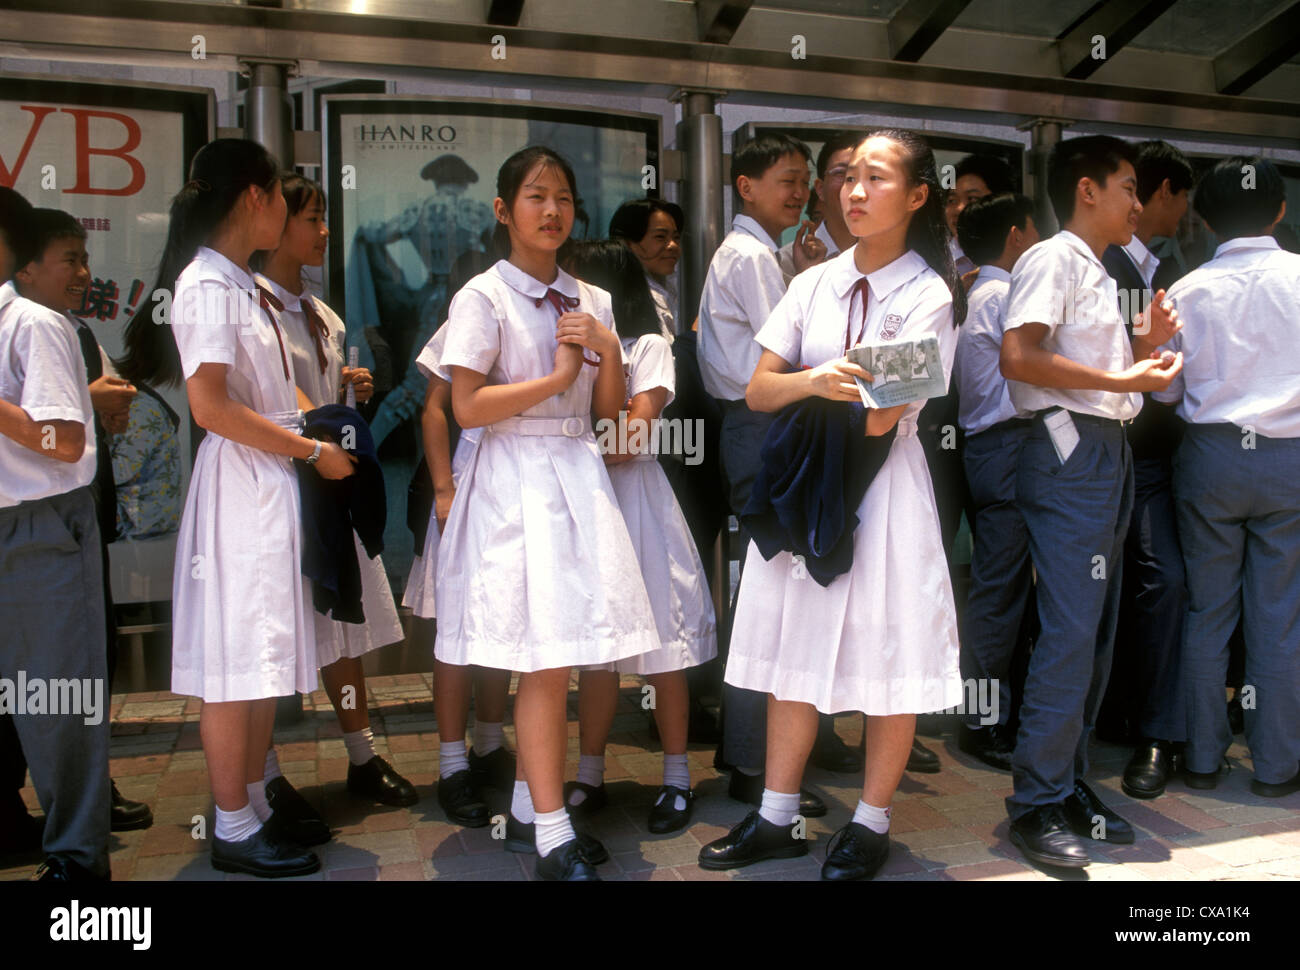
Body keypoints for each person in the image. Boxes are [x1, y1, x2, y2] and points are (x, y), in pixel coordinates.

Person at [698, 128, 968, 880]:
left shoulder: (929, 294)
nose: (855, 191)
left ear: (917, 196)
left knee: (889, 651)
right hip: (802, 483)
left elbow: (884, 415)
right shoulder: (810, 282)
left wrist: (812, 381)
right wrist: (821, 381)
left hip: (882, 489)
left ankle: (871, 822)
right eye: (848, 177)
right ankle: (776, 815)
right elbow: (758, 388)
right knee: (792, 649)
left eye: (877, 179)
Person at [119, 138, 356, 878]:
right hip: (246, 484)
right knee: (236, 660)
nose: (289, 210)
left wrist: (316, 430)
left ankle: (251, 806)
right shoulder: (208, 286)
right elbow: (211, 407)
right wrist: (313, 452)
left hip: (266, 480)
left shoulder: (237, 283)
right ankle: (230, 823)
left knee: (258, 657)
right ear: (255, 197)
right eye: (282, 196)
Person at [434, 146, 660, 880]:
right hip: (511, 478)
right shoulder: (483, 297)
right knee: (541, 658)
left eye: (563, 197)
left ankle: (537, 815)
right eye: (535, 196)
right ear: (504, 210)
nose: (552, 210)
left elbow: (604, 416)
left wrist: (606, 354)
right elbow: (465, 406)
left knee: (561, 653)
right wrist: (560, 371)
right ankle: (551, 830)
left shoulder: (590, 299)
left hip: (575, 472)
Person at [998, 135, 1183, 869]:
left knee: (1095, 633)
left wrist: (1140, 349)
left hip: (1098, 449)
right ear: (1087, 189)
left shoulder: (1090, 267)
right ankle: (1037, 802)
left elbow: (1073, 364)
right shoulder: (1052, 258)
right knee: (1073, 632)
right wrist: (1126, 382)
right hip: (1073, 449)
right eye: (1130, 187)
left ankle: (1066, 783)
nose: (1139, 203)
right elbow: (1020, 355)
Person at [254, 173, 418, 826]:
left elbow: (324, 400)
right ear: (272, 223)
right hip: (273, 490)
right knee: (272, 635)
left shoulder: (321, 314)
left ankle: (361, 754)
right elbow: (256, 396)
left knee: (342, 626)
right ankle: (261, 778)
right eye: (312, 218)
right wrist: (320, 415)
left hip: (327, 489)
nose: (324, 232)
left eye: (325, 219)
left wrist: (352, 392)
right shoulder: (251, 305)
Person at [697, 133, 851, 814]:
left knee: (770, 594)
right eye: (786, 181)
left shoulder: (762, 254)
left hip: (757, 427)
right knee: (771, 597)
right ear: (745, 186)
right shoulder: (753, 257)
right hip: (763, 428)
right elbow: (791, 349)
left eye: (802, 181)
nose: (799, 193)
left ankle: (758, 757)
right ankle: (758, 764)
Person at [1154, 156, 1300, 799]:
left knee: (1206, 610)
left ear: (1204, 219)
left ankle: (1204, 759)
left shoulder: (1185, 292)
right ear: (1280, 211)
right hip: (1289, 458)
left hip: (1209, 458)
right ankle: (1275, 767)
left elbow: (1162, 394)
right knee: (1279, 614)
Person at [562, 239, 717, 834]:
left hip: (635, 505)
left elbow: (630, 443)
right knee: (596, 657)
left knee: (663, 651)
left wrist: (562, 443)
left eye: (578, 283)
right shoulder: (567, 347)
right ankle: (590, 774)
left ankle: (676, 778)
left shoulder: (648, 345)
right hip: (583, 502)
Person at [0, 204, 112, 881]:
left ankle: (76, 862)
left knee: (55, 698)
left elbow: (62, 440)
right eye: (70, 258)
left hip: (39, 522)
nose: (81, 272)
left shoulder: (34, 325)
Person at [1096, 140, 1195, 799]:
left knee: (1163, 583)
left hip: (1156, 460)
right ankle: (1103, 722)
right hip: (1100, 457)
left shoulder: (1177, 268)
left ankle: (1157, 733)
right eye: (1126, 189)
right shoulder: (1093, 269)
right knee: (1096, 593)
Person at [406, 312, 516, 829]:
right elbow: (434, 409)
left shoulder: (565, 306)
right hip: (470, 480)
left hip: (523, 485)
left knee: (503, 623)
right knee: (455, 630)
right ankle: (452, 766)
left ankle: (489, 745)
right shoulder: (475, 305)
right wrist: (444, 489)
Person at [952, 193, 1040, 770]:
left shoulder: (972, 294)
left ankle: (989, 714)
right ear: (1015, 235)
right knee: (999, 592)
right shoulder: (1005, 295)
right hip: (1008, 448)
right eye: (1033, 231)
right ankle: (981, 721)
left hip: (988, 449)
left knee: (999, 589)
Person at [776, 130, 863, 282]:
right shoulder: (787, 261)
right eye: (841, 173)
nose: (855, 187)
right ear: (820, 189)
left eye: (870, 176)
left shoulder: (885, 258)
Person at [608, 198, 684, 340]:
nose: (673, 245)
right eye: (660, 237)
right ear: (628, 244)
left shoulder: (664, 291)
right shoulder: (626, 299)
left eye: (676, 237)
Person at [945, 154, 1014, 276]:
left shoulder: (1020, 259)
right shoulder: (935, 263)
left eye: (972, 199)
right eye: (952, 200)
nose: (959, 209)